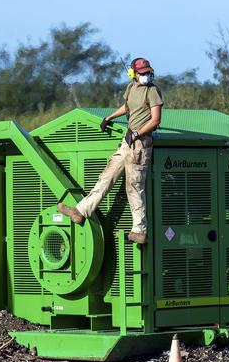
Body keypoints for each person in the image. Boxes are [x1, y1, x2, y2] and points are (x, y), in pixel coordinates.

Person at [57, 57, 163, 244]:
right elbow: (128, 106)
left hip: (140, 144)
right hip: (127, 141)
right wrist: (109, 117)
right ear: (133, 74)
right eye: (142, 73)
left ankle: (140, 230)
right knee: (106, 177)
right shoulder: (131, 88)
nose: (146, 75)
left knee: (134, 187)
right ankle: (81, 212)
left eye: (148, 72)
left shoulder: (153, 91)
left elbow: (155, 120)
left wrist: (137, 133)